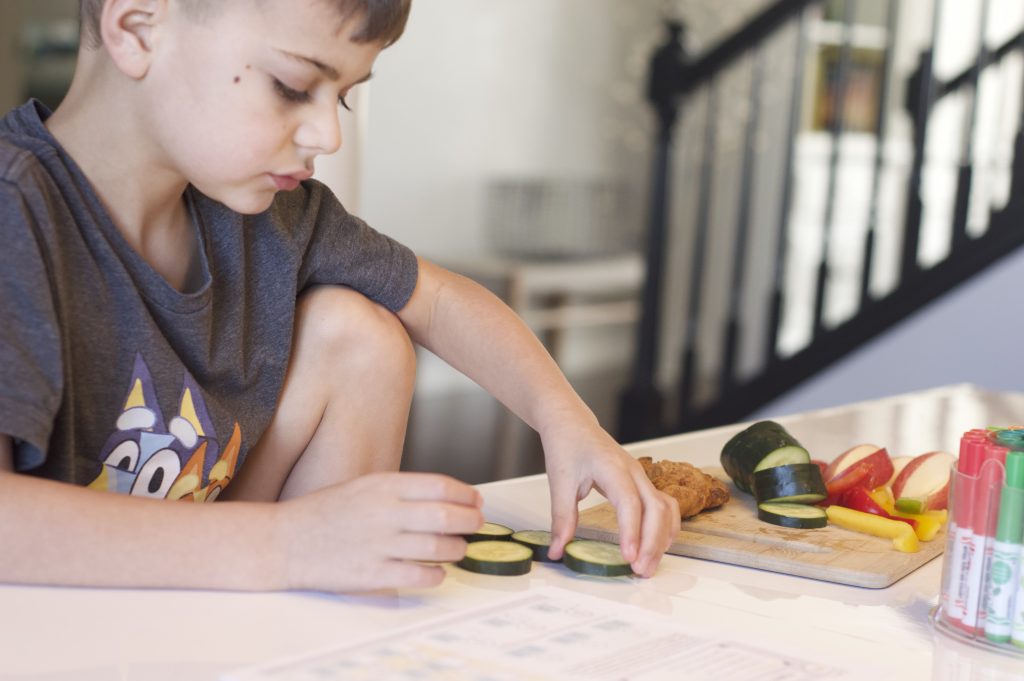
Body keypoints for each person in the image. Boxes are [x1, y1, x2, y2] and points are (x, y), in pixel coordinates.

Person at [0, 0, 680, 593]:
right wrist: (287, 543)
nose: (328, 134)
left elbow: (440, 302)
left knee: (361, 332)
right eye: (294, 86)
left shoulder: (277, 217)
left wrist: (569, 423)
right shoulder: (15, 209)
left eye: (344, 96)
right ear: (139, 28)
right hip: (51, 626)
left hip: (211, 587)